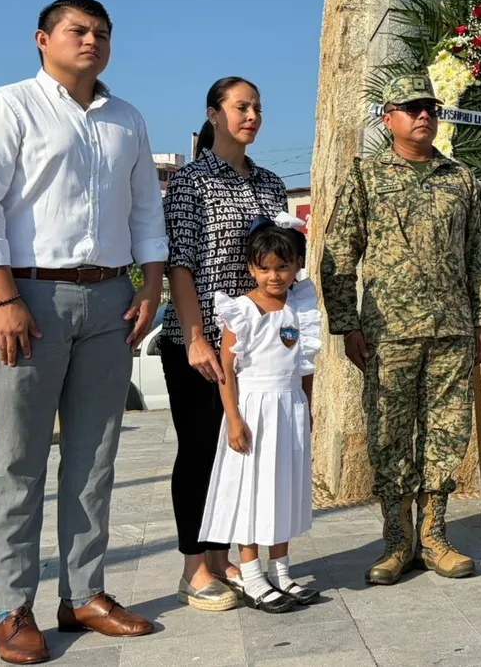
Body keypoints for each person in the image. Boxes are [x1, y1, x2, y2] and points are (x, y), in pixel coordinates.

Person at [0, 0, 166, 664]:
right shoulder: (7, 107)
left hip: (108, 299)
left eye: (103, 33)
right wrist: (3, 297)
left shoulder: (125, 119)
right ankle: (13, 607)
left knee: (95, 456)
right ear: (43, 39)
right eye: (79, 30)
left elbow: (144, 212)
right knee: (17, 460)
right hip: (28, 296)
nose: (93, 41)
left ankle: (83, 595)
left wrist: (151, 285)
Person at [321, 74, 481, 585]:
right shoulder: (365, 175)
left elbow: (480, 254)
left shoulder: (461, 179)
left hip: (451, 330)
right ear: (389, 117)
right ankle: (397, 542)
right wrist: (346, 325)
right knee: (389, 436)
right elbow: (339, 251)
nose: (424, 116)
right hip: (388, 333)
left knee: (447, 434)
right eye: (411, 108)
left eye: (430, 108)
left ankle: (435, 536)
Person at [161, 77, 288, 611]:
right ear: (214, 114)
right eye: (241, 107)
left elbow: (285, 264)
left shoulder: (272, 184)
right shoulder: (191, 183)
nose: (251, 115)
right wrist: (196, 338)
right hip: (202, 341)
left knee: (238, 456)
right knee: (199, 450)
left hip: (256, 349)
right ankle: (196, 565)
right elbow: (181, 266)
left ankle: (223, 558)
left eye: (257, 106)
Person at [200, 216, 321, 613]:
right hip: (254, 412)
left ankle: (282, 569)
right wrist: (233, 419)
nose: (274, 276)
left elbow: (304, 367)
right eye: (265, 268)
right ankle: (252, 575)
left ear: (297, 265)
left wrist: (308, 409)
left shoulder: (301, 307)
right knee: (252, 490)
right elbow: (226, 373)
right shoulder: (241, 311)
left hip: (289, 411)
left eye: (283, 266)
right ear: (251, 268)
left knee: (283, 487)